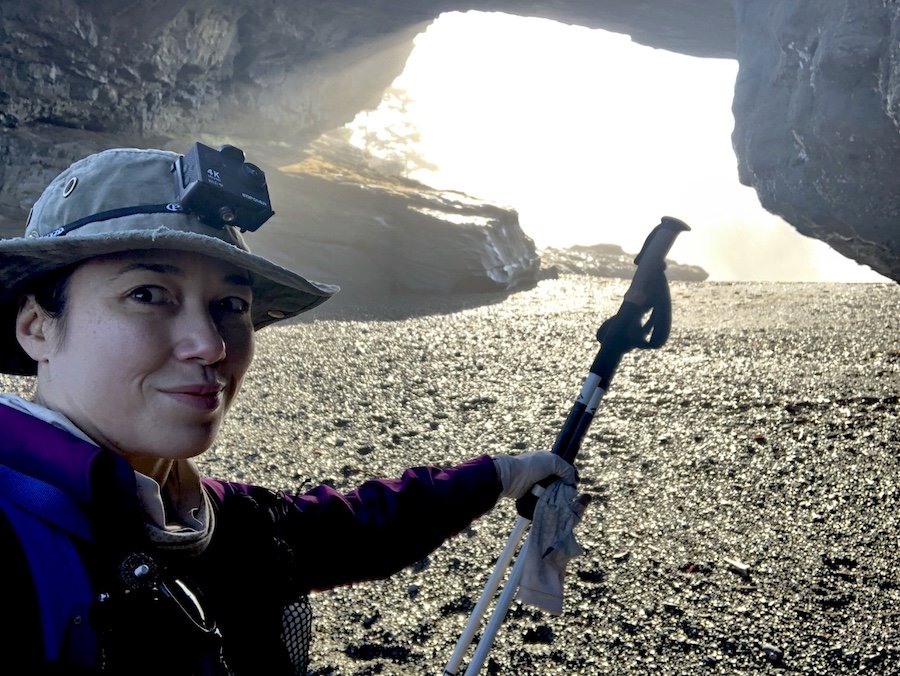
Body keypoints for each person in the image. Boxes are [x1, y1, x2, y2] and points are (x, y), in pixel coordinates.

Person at [0, 145, 575, 675]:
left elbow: (357, 527)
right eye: (147, 294)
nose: (211, 343)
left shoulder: (213, 517)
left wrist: (500, 475)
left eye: (231, 305)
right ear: (36, 327)